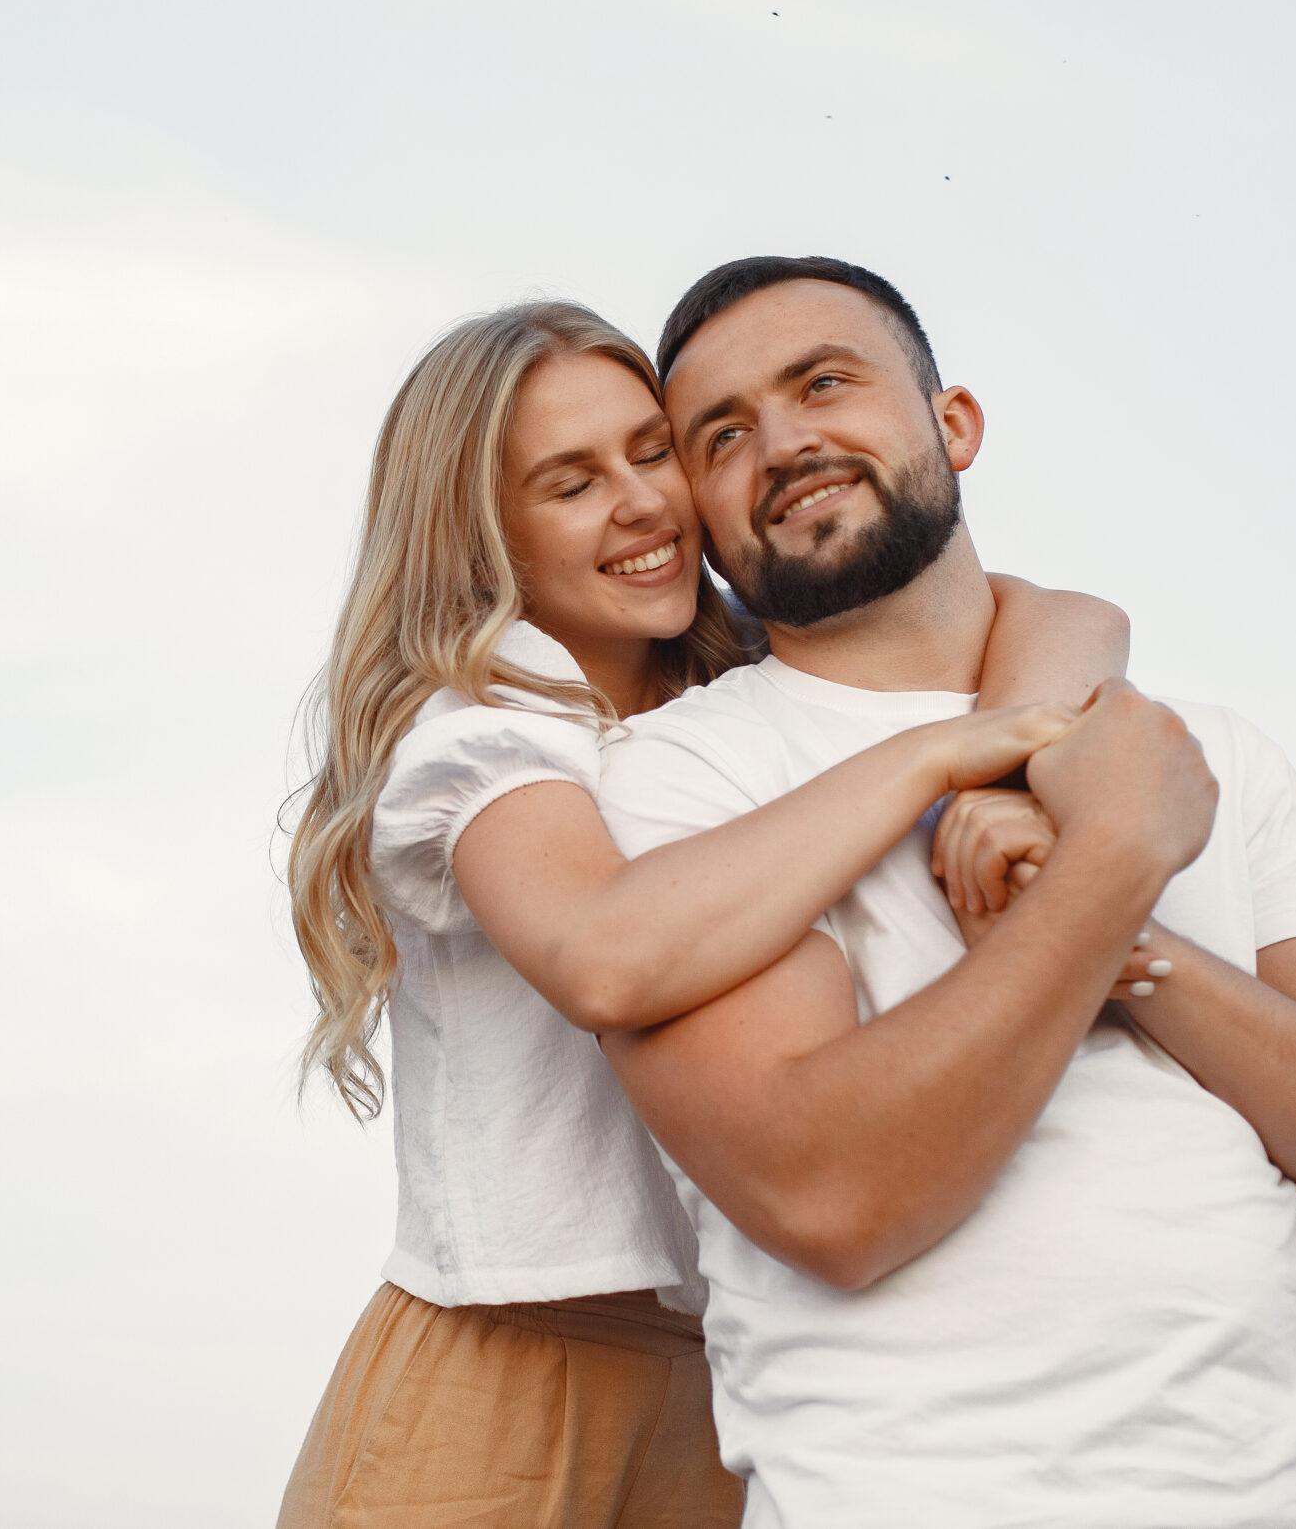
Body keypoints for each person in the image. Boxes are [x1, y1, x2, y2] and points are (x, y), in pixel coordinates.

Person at [596, 256, 1296, 1527]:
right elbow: (829, 1198)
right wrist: (1111, 869)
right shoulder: (684, 782)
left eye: (824, 383)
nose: (782, 443)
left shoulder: (1198, 756)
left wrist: (1110, 922)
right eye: (721, 434)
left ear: (952, 424)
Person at [276, 300, 1134, 1526]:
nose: (641, 504)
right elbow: (602, 956)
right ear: (484, 541)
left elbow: (1064, 615)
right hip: (503, 1362)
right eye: (569, 483)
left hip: (721, 1382)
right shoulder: (482, 731)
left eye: (651, 451)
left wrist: (1003, 773)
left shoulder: (730, 713)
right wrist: (943, 757)